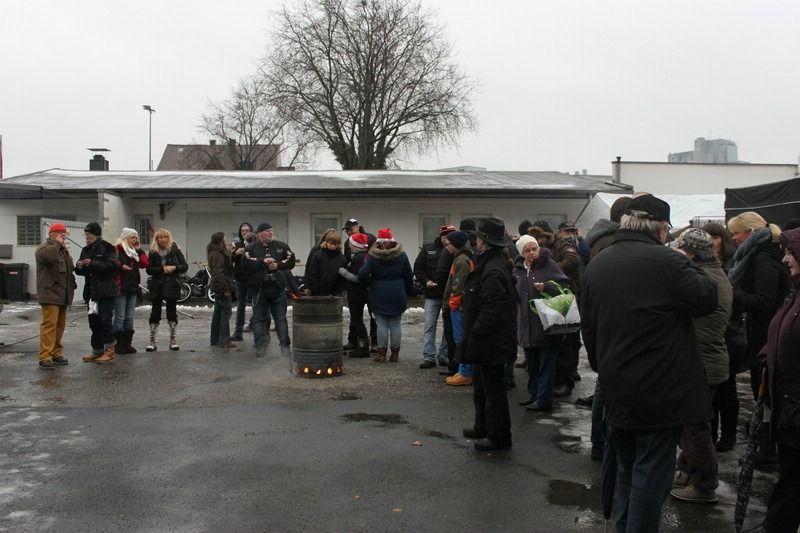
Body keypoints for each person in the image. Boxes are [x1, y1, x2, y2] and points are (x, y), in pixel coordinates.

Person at [581, 194, 717, 532]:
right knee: (651, 476)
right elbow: (706, 298)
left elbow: (590, 326)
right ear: (661, 229)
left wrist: (603, 366)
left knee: (628, 470)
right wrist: (686, 260)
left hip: (616, 385)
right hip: (661, 391)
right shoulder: (668, 262)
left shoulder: (598, 263)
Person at [670, 228, 732, 504]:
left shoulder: (702, 279)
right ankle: (687, 470)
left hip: (702, 361)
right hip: (711, 359)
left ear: (692, 253)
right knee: (694, 423)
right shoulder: (714, 273)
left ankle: (703, 484)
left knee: (695, 428)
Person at [727, 211, 791, 466]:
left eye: (737, 233)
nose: (734, 238)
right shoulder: (762, 254)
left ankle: (767, 450)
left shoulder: (763, 258)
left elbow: (765, 301)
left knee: (764, 391)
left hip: (765, 334)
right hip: (764, 332)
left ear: (751, 232)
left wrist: (734, 293)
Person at [752, 227, 800, 532]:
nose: (785, 259)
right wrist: (768, 354)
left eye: (791, 253)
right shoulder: (795, 293)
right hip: (788, 411)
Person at [459, 217, 517, 452]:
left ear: (485, 241)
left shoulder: (493, 268)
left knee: (494, 390)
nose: (476, 241)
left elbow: (492, 308)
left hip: (492, 340)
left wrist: (477, 331)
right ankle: (482, 426)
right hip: (486, 338)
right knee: (481, 386)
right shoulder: (488, 263)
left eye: (479, 238)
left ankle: (499, 436)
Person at [513, 234, 570, 412]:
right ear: (521, 253)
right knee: (532, 365)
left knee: (546, 365)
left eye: (534, 248)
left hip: (547, 325)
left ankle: (543, 399)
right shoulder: (518, 269)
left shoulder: (549, 265)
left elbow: (565, 287)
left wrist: (547, 287)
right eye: (527, 250)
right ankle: (533, 395)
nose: (532, 253)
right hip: (526, 325)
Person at [704, 222, 744, 452]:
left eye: (715, 237)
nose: (712, 241)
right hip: (715, 333)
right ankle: (710, 434)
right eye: (708, 237)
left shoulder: (733, 264)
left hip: (729, 332)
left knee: (727, 389)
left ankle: (728, 435)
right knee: (712, 390)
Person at [358, 228, 413, 363]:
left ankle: (381, 354)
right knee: (395, 324)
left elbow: (362, 273)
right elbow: (408, 275)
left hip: (379, 291)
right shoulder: (401, 255)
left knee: (381, 324)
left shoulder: (373, 256)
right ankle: (395, 354)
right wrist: (408, 291)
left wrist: (370, 283)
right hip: (397, 291)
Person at [246, 222, 296, 357]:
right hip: (259, 289)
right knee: (258, 319)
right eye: (267, 231)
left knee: (280, 319)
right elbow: (246, 264)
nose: (270, 233)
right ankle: (260, 346)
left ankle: (285, 347)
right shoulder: (251, 248)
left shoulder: (281, 246)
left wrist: (277, 265)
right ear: (259, 234)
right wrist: (263, 262)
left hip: (277, 288)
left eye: (271, 230)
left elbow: (291, 260)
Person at [75, 222, 120, 364]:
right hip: (91, 292)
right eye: (85, 234)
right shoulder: (85, 249)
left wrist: (93, 263)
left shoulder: (108, 247)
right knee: (93, 322)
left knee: (105, 321)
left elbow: (113, 266)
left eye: (88, 234)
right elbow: (81, 272)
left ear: (95, 234)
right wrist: (79, 267)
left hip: (106, 291)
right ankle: (97, 350)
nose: (86, 237)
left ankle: (109, 350)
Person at [35, 222, 77, 370]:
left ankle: (56, 352)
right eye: (61, 234)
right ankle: (45, 356)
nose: (64, 237)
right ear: (52, 234)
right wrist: (56, 243)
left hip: (63, 294)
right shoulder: (43, 249)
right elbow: (49, 258)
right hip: (50, 293)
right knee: (49, 325)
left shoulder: (64, 251)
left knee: (60, 326)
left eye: (64, 234)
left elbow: (69, 270)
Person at [414, 224, 454, 369]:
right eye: (446, 236)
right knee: (429, 326)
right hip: (432, 294)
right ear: (441, 236)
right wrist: (426, 281)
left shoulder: (454, 250)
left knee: (448, 327)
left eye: (450, 236)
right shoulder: (428, 249)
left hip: (448, 294)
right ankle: (429, 356)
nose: (448, 239)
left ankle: (444, 354)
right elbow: (418, 268)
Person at [552, 221, 583, 398]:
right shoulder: (569, 245)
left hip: (568, 295)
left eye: (572, 230)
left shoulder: (564, 245)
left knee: (568, 339)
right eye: (567, 231)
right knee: (570, 338)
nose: (570, 234)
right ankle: (569, 372)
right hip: (569, 294)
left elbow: (573, 260)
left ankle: (567, 377)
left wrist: (551, 270)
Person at [145, 228, 188, 352]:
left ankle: (173, 340)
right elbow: (149, 269)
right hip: (157, 285)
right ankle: (152, 340)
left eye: (165, 237)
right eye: (160, 237)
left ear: (169, 238)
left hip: (172, 284)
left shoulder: (175, 249)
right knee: (155, 312)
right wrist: (161, 269)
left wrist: (174, 268)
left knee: (172, 312)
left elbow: (184, 266)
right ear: (157, 239)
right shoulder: (153, 251)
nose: (163, 239)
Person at [441, 231, 474, 386]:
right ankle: (463, 370)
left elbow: (458, 285)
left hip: (459, 306)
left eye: (448, 244)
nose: (446, 247)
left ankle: (465, 371)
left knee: (460, 339)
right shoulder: (461, 258)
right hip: (459, 305)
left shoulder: (461, 260)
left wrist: (452, 304)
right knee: (459, 338)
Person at [113, 227, 149, 354]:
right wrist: (121, 266)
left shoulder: (134, 252)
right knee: (120, 316)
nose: (135, 240)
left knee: (129, 316)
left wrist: (139, 250)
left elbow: (144, 263)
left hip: (133, 286)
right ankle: (119, 344)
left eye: (136, 238)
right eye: (132, 237)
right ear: (125, 238)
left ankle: (127, 343)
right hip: (121, 287)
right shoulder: (118, 249)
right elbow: (112, 263)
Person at [339, 232, 372, 357]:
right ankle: (359, 344)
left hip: (356, 292)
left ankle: (363, 348)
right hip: (361, 291)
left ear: (356, 245)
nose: (349, 246)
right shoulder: (366, 256)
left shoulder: (359, 258)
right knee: (356, 319)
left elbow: (358, 277)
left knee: (357, 319)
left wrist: (343, 272)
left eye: (351, 244)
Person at [208, 231, 235, 352]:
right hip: (222, 287)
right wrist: (225, 289)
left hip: (217, 286)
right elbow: (219, 272)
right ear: (221, 240)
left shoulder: (213, 252)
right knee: (225, 313)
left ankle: (215, 338)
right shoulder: (218, 254)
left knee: (218, 313)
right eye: (225, 239)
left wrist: (230, 253)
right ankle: (224, 339)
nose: (226, 240)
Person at [304, 229, 346, 296]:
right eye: (331, 243)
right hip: (318, 290)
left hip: (334, 291)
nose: (332, 246)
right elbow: (310, 270)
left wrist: (340, 290)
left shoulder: (341, 257)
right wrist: (309, 287)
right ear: (325, 241)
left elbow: (342, 277)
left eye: (335, 244)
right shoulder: (316, 253)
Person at [231, 222, 253, 341]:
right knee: (240, 305)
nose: (244, 232)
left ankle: (255, 326)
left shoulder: (255, 244)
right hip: (240, 278)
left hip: (253, 278)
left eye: (247, 230)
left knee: (257, 303)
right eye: (243, 230)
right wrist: (235, 254)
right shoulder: (237, 244)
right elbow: (230, 259)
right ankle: (238, 332)